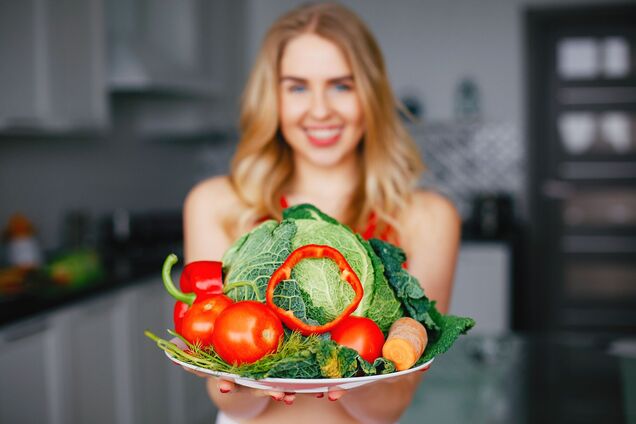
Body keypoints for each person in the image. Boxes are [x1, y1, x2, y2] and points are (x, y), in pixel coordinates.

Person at [182, 2, 460, 423]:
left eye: (341, 86)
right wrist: (241, 383)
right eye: (296, 87)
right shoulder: (217, 205)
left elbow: (394, 402)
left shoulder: (427, 218)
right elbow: (226, 398)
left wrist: (344, 380)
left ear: (371, 93)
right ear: (271, 97)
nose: (320, 110)